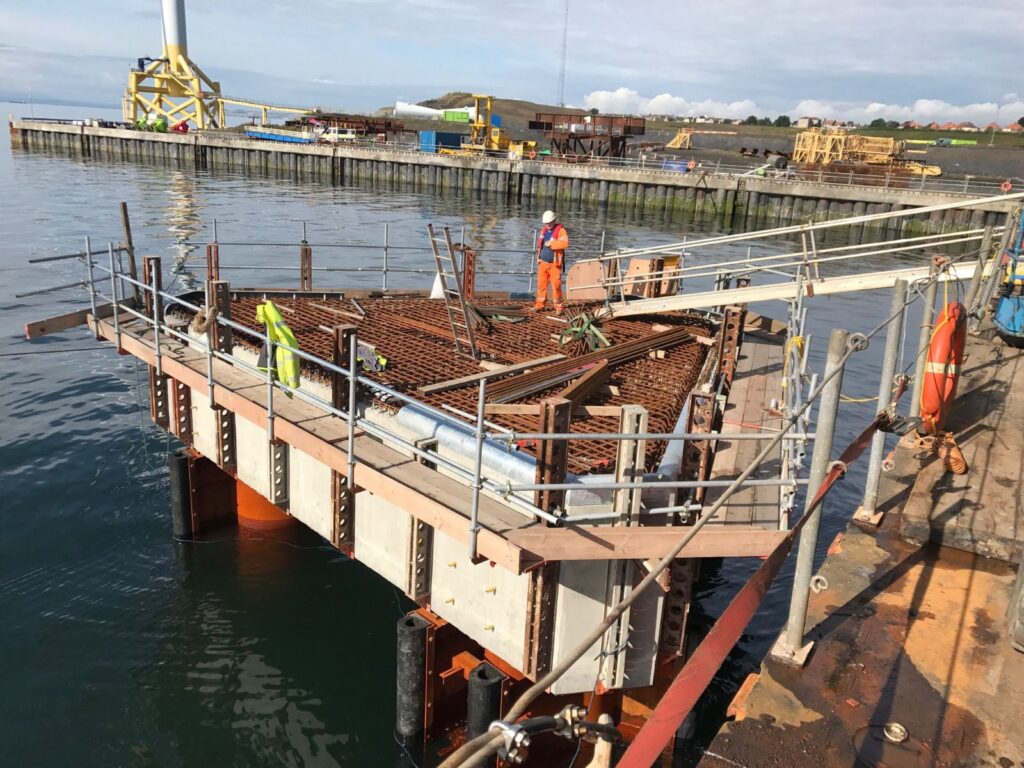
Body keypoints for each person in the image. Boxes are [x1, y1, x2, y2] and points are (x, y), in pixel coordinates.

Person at [533, 210, 569, 314]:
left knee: (556, 286)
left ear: (554, 220)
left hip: (554, 264)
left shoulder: (561, 231)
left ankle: (559, 308)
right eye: (546, 223)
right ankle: (539, 305)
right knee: (541, 285)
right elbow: (541, 245)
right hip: (543, 263)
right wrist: (539, 259)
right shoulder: (544, 230)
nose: (547, 225)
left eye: (549, 223)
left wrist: (552, 244)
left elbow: (565, 243)